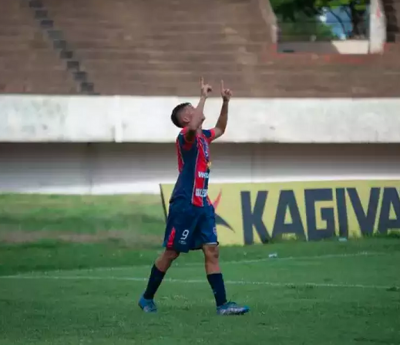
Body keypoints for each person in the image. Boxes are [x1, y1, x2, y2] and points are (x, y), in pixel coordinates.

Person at [138, 78, 249, 315]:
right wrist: (203, 97)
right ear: (187, 119)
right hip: (185, 204)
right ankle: (146, 298)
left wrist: (225, 102)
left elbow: (221, 128)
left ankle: (222, 305)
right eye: (192, 111)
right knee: (172, 252)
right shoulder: (185, 138)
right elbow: (193, 126)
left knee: (212, 250)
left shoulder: (204, 136)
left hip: (202, 204)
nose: (196, 112)